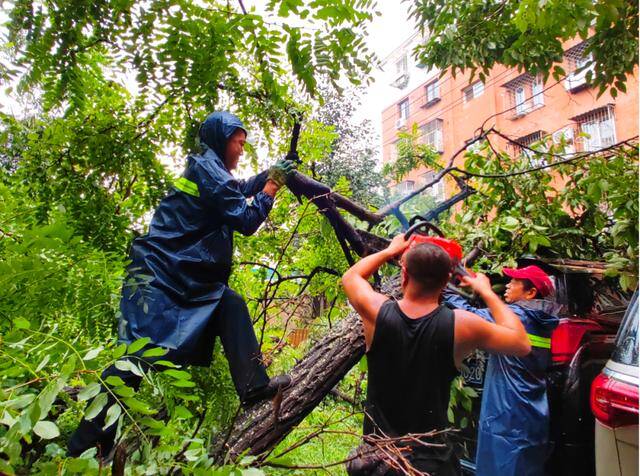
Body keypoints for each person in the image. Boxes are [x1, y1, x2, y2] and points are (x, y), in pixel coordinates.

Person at [68, 111, 295, 458]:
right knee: (135, 360)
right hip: (161, 278)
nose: (241, 150)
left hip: (182, 277)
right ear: (222, 139)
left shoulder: (210, 169)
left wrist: (271, 172)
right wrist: (272, 186)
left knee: (230, 305)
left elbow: (233, 192)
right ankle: (84, 448)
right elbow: (246, 218)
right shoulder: (209, 169)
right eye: (238, 142)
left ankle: (253, 386)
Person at [341, 235, 531, 475]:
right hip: (430, 463)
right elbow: (521, 343)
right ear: (445, 283)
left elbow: (351, 277)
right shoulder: (462, 325)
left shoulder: (376, 311)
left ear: (405, 275)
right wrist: (486, 291)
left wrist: (390, 251)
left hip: (380, 459)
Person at [443, 264, 559, 476]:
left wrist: (444, 286)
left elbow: (467, 315)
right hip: (532, 416)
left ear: (530, 293)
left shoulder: (518, 317)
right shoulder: (542, 321)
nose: (507, 285)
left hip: (507, 416)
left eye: (514, 282)